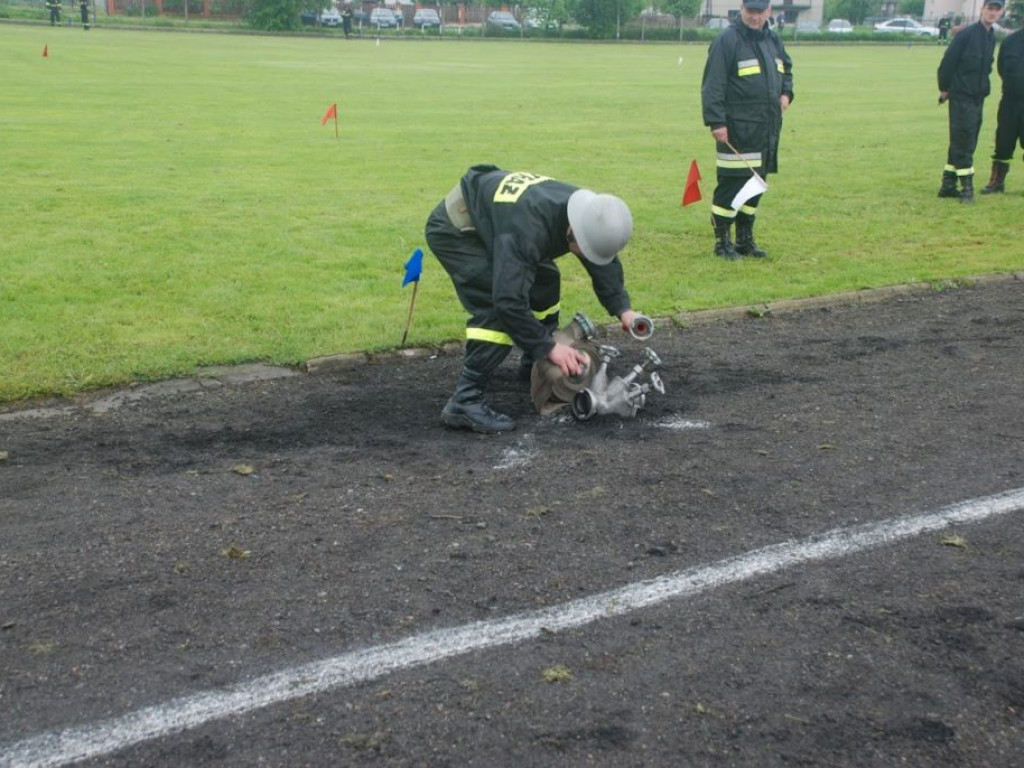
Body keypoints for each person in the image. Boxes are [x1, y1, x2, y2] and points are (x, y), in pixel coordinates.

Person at [424, 165, 642, 433]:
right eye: (583, 250)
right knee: (495, 308)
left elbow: (600, 257)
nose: (585, 256)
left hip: (497, 222)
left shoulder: (587, 211)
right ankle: (465, 401)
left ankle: (533, 365)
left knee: (545, 281)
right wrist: (548, 346)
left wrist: (623, 309)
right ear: (572, 232)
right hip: (459, 230)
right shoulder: (528, 228)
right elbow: (508, 301)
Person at [701, 0, 794, 260]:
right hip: (737, 131)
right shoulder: (726, 41)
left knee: (755, 185)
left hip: (767, 131)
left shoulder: (773, 40)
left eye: (759, 12)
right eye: (750, 11)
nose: (755, 17)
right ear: (741, 10)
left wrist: (786, 93)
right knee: (731, 186)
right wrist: (716, 122)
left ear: (769, 12)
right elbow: (713, 85)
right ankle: (722, 244)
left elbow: (787, 70)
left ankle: (744, 241)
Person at [937, 0, 1004, 203]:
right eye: (989, 8)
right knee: (964, 140)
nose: (992, 13)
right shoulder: (966, 35)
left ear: (1001, 13)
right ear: (982, 9)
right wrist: (944, 88)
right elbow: (948, 62)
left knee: (964, 139)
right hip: (961, 95)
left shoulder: (990, 37)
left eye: (996, 9)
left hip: (977, 97)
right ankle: (967, 188)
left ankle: (948, 184)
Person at [982, 25, 1024, 193]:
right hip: (1010, 99)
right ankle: (997, 181)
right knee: (1003, 140)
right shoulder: (1011, 41)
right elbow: (1001, 68)